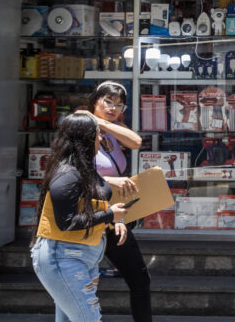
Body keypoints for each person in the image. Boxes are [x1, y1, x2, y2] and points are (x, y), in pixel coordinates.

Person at [30, 113, 129, 322]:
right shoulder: (67, 174)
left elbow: (91, 205)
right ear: (86, 137)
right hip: (63, 257)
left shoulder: (85, 169)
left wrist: (115, 219)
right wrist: (110, 214)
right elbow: (67, 222)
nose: (101, 139)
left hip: (83, 256)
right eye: (98, 134)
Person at [78, 81, 151, 321]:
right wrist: (111, 181)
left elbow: (136, 142)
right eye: (107, 102)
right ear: (94, 100)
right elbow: (73, 173)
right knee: (82, 282)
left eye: (118, 105)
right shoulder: (79, 127)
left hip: (115, 217)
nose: (112, 108)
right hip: (88, 217)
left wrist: (100, 122)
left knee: (139, 278)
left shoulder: (110, 128)